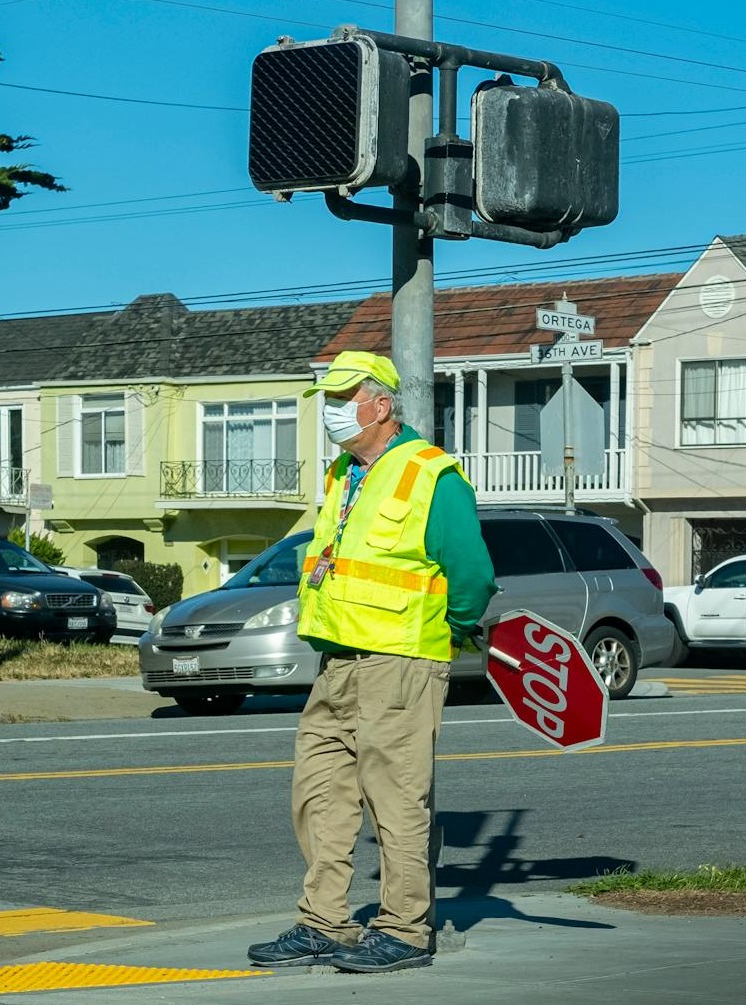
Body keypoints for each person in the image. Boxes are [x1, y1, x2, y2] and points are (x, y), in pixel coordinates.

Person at [247, 350, 496, 974]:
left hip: (401, 663)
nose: (330, 414)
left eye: (342, 401)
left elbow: (472, 575)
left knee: (397, 797)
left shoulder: (431, 475)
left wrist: (452, 631)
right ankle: (322, 924)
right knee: (320, 794)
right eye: (327, 402)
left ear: (380, 406)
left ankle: (405, 929)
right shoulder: (342, 475)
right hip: (338, 662)